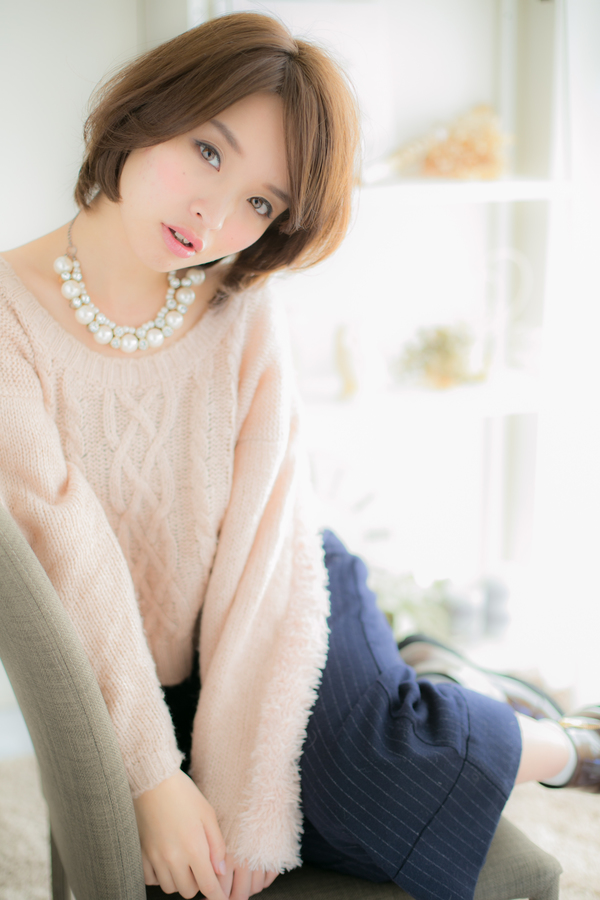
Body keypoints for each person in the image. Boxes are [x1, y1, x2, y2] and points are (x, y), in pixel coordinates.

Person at [0, 12, 597, 900]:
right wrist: (154, 773)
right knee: (362, 789)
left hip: (285, 586)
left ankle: (572, 747)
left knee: (363, 763)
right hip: (151, 670)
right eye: (208, 151)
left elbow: (265, 533)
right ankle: (441, 687)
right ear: (145, 110)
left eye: (260, 203)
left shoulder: (240, 308)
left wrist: (243, 795)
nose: (215, 216)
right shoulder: (10, 319)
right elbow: (70, 562)